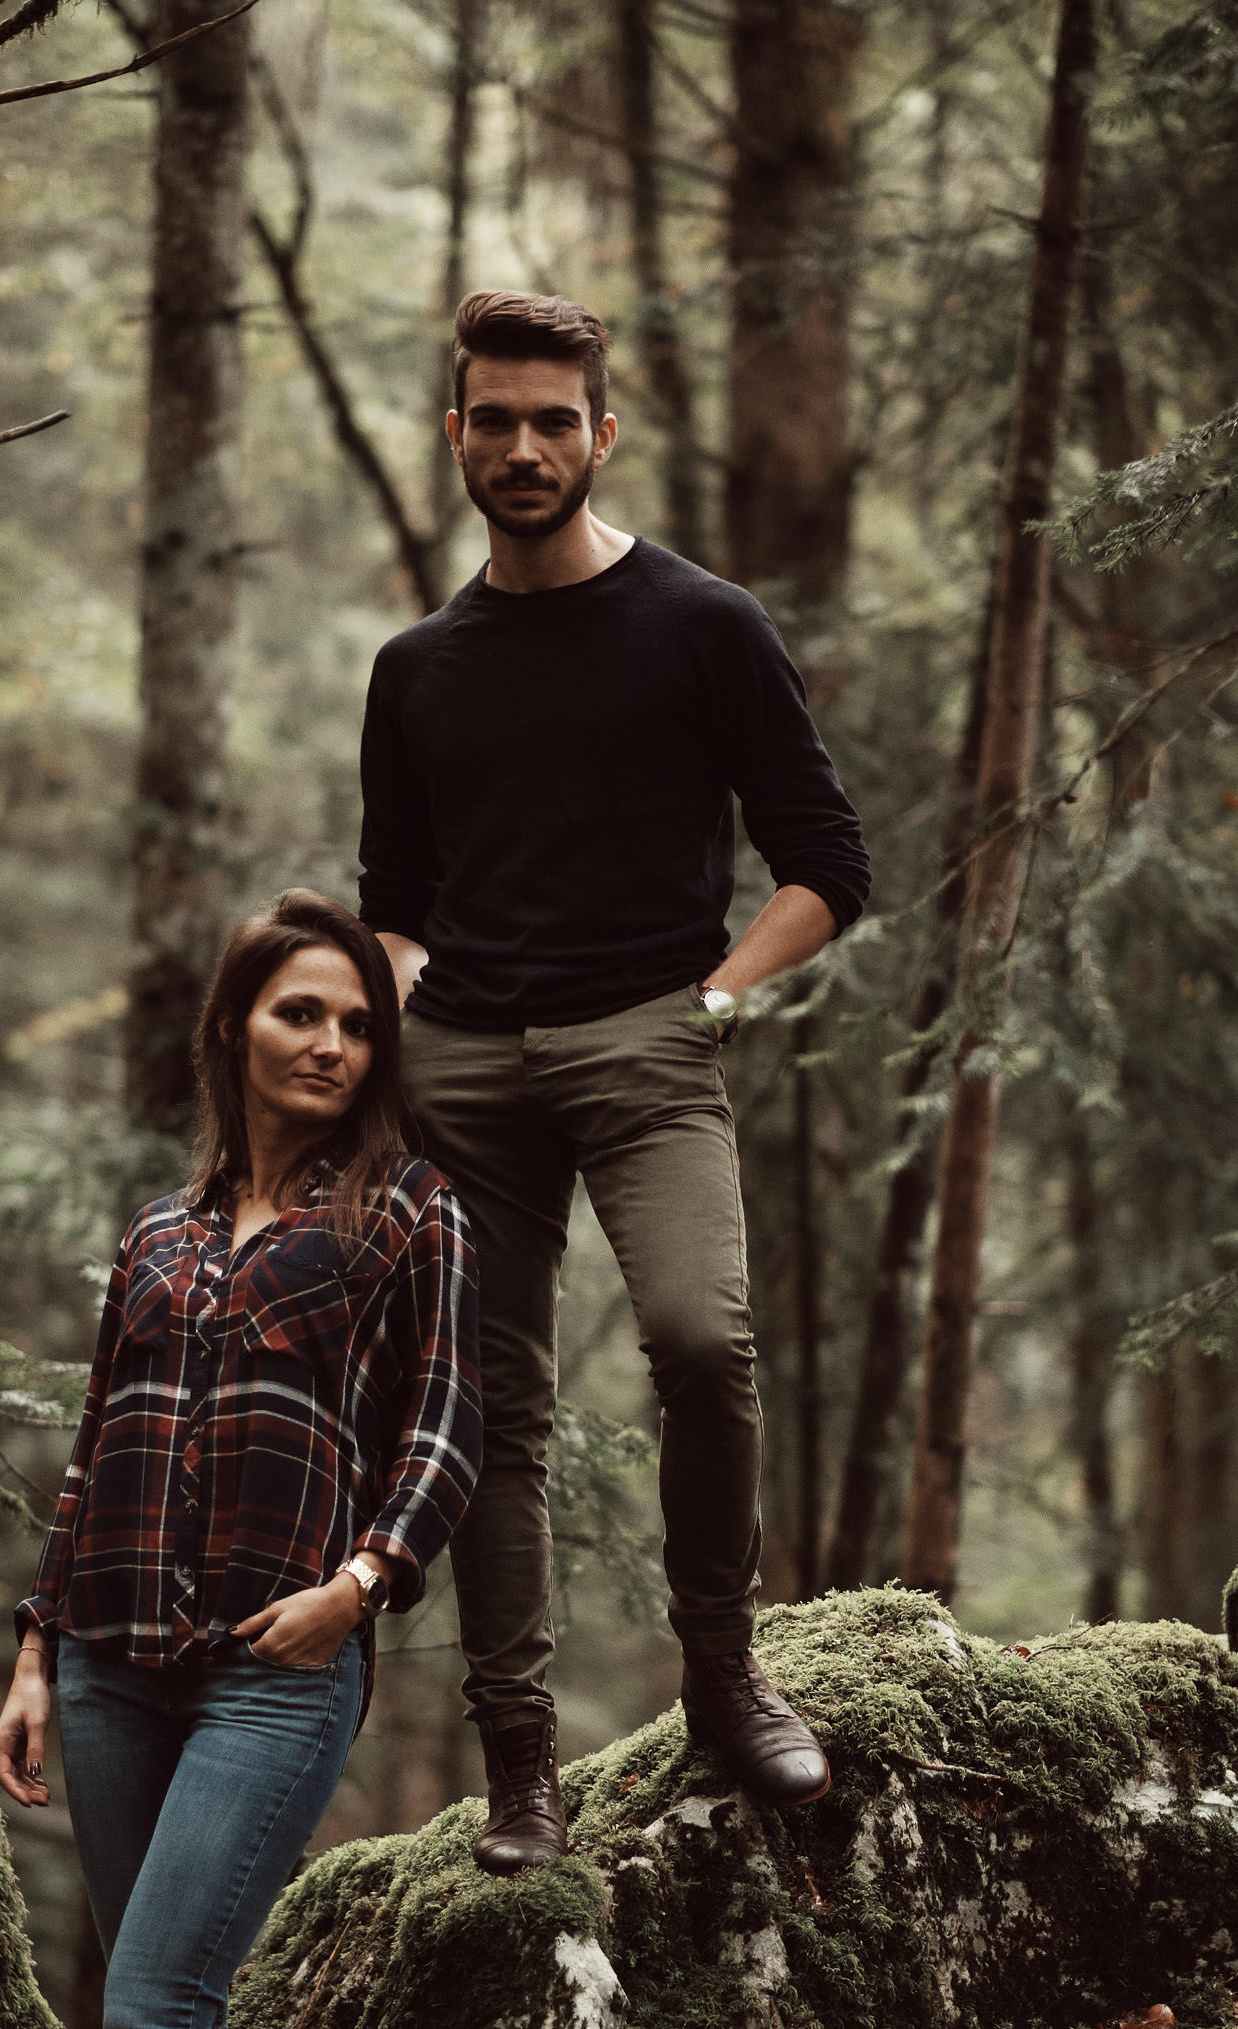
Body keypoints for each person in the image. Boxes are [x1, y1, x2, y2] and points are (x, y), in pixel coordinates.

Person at [359, 289, 870, 1877]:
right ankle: (523, 1770)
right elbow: (394, 885)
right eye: (494, 420)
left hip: (652, 1045)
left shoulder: (702, 624)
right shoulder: (418, 665)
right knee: (494, 1412)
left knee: (700, 1345)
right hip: (469, 1075)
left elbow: (828, 865)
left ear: (603, 432)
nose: (524, 447)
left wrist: (713, 997)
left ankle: (723, 1674)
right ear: (456, 434)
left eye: (552, 420)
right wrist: (400, 988)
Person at [0, 892, 480, 2029]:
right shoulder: (161, 1235)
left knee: (152, 2015)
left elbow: (447, 1429)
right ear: (235, 1028)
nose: (330, 1043)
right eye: (299, 1015)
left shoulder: (409, 1212)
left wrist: (360, 1586)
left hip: (275, 1673)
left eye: (353, 1023)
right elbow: (95, 1455)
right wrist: (35, 1650)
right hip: (119, 1670)